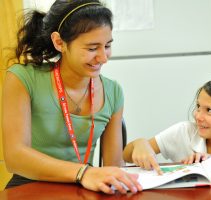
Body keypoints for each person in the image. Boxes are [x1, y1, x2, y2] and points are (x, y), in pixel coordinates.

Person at [2, 0, 142, 194]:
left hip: (84, 189)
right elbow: (14, 157)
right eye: (92, 48)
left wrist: (140, 146)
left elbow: (114, 166)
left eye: (107, 45)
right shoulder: (23, 78)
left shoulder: (113, 91)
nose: (103, 57)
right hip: (28, 187)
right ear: (59, 42)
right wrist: (83, 173)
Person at [123, 75, 211, 174]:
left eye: (209, 110)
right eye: (198, 106)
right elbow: (126, 155)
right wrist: (140, 144)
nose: (197, 116)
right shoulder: (183, 132)